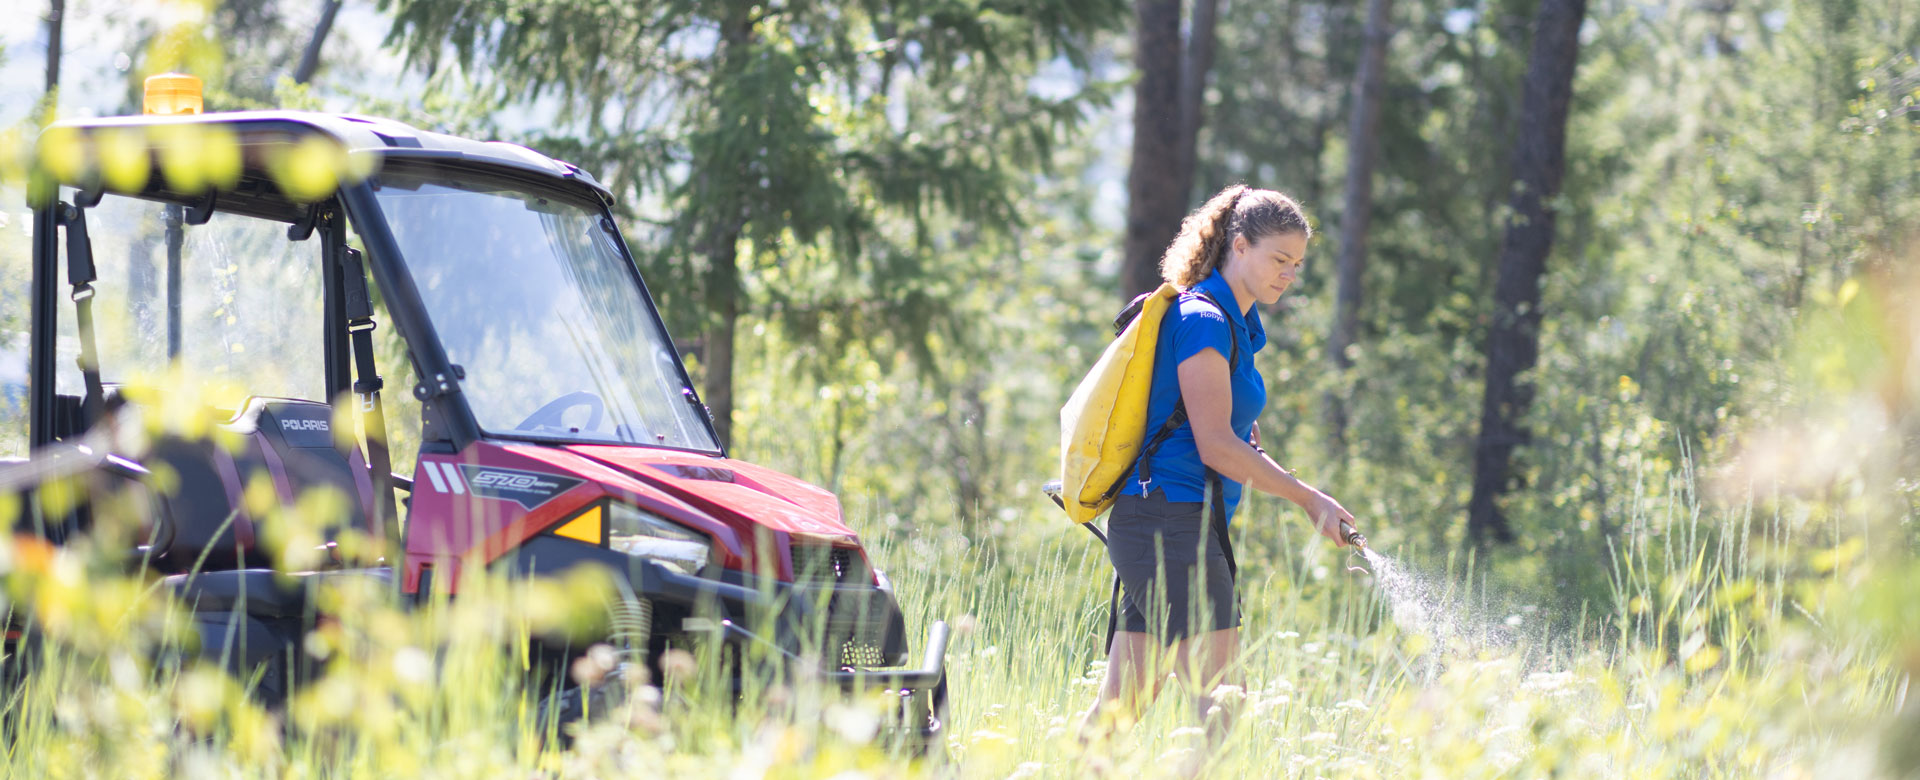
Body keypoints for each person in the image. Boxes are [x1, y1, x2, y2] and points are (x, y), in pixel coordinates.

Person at [1081, 184, 1362, 744]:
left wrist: (1262, 459)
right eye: (1278, 259)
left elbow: (1228, 439)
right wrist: (1310, 499)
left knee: (1118, 712)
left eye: (1297, 264)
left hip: (1165, 524)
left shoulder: (1237, 327)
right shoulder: (1205, 319)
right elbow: (1214, 447)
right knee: (1223, 711)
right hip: (1172, 527)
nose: (1289, 273)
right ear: (1239, 246)